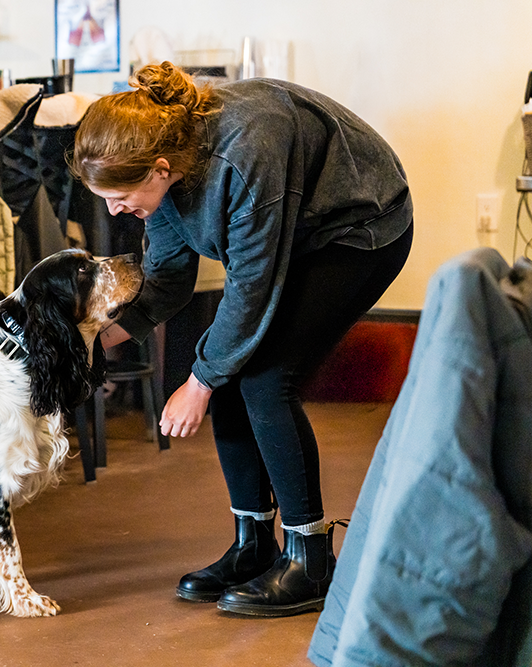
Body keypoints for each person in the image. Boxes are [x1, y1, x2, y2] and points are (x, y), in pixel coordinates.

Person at [71, 62, 413, 617]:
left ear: (158, 169)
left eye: (119, 196)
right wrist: (100, 337)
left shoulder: (247, 148)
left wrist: (199, 382)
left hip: (359, 228)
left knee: (263, 375)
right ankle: (253, 546)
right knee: (234, 364)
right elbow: (167, 281)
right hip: (296, 234)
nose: (114, 211)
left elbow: (253, 285)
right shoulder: (167, 179)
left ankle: (311, 558)